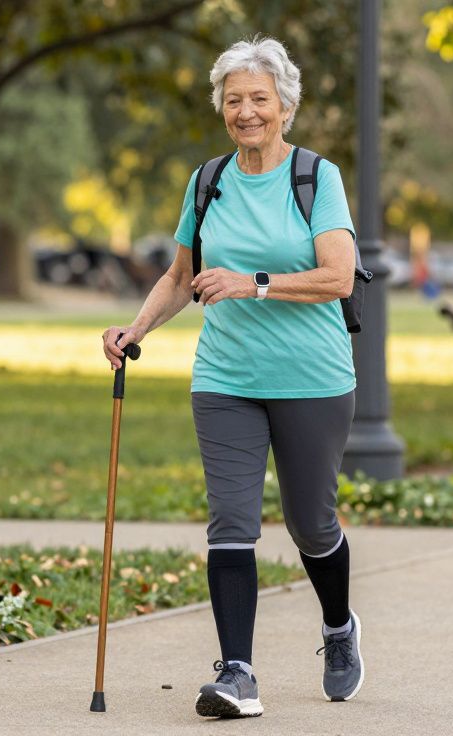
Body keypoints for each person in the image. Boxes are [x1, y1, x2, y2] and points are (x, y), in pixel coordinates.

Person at [101, 35, 363, 719]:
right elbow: (180, 277)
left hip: (312, 377)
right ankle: (238, 673)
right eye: (233, 100)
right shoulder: (207, 180)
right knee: (231, 523)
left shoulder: (316, 177)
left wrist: (256, 284)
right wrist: (135, 330)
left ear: (285, 105)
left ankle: (338, 626)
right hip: (226, 378)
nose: (246, 112)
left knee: (311, 525)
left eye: (259, 99)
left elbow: (338, 276)